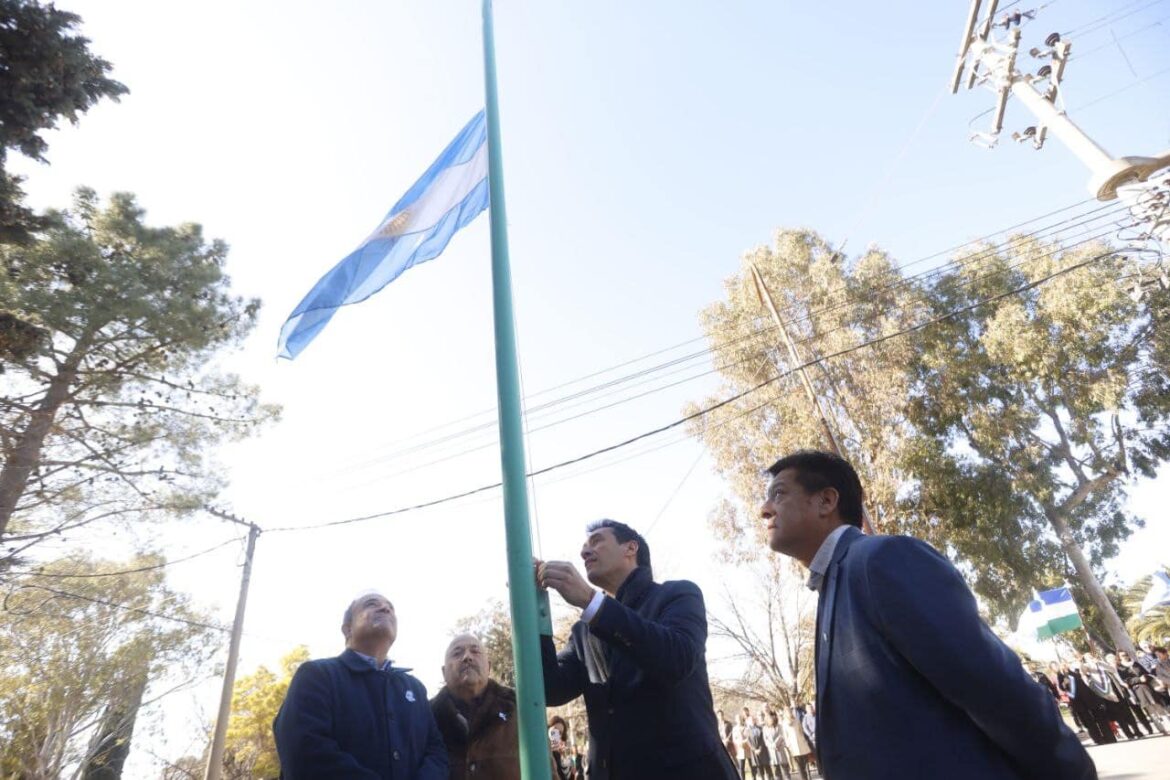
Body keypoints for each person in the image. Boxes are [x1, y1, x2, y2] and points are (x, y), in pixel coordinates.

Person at [759, 450, 1095, 780]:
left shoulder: (881, 560)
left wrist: (1070, 770)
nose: (765, 509)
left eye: (779, 493)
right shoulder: (832, 585)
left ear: (826, 501)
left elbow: (989, 684)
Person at [536, 519, 739, 780]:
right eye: (584, 546)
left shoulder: (678, 595)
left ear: (630, 548)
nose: (584, 552)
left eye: (596, 541)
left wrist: (591, 601)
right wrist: (534, 613)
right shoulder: (583, 631)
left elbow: (677, 658)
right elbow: (551, 689)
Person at [274, 591, 448, 779]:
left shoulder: (415, 689)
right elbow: (303, 753)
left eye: (390, 607)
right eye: (372, 604)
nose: (385, 608)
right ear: (348, 629)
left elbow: (436, 752)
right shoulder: (317, 675)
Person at [429, 633, 525, 779]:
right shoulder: (427, 716)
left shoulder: (518, 707)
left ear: (489, 667)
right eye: (457, 653)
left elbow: (546, 767)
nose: (467, 657)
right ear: (443, 672)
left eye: (475, 651)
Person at [779, 710, 811, 780]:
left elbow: (801, 731)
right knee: (799, 765)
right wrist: (788, 745)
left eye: (790, 712)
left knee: (805, 763)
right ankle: (803, 778)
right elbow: (785, 735)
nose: (789, 713)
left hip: (802, 744)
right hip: (793, 747)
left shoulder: (796, 720)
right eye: (788, 712)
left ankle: (808, 777)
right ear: (785, 714)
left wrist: (803, 740)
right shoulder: (784, 723)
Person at [548, 715, 579, 780]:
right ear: (549, 729)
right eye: (555, 730)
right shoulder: (543, 750)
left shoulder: (561, 757)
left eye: (560, 733)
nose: (556, 734)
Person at [762, 711, 789, 780]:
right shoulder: (765, 728)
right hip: (772, 752)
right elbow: (766, 741)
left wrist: (776, 744)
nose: (770, 719)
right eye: (769, 718)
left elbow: (781, 736)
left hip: (780, 749)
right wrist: (772, 746)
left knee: (785, 769)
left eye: (771, 718)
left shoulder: (779, 726)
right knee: (777, 771)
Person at [746, 713, 773, 780]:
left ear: (755, 720)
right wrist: (754, 750)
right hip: (755, 752)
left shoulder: (760, 728)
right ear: (749, 721)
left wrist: (760, 748)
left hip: (763, 750)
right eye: (751, 720)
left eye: (753, 719)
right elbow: (748, 741)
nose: (753, 721)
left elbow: (763, 738)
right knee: (759, 768)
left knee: (767, 767)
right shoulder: (747, 731)